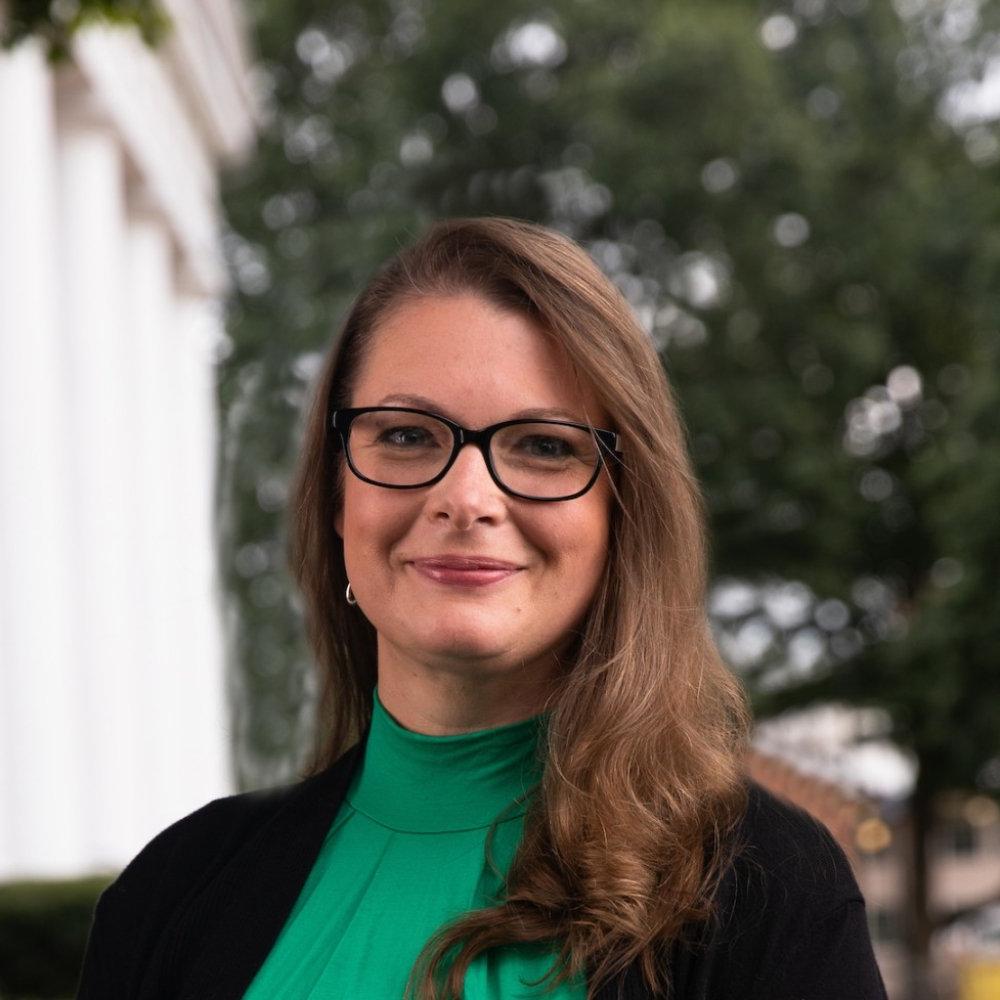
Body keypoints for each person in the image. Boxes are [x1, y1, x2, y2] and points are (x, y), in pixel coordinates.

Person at [76, 217, 887, 999]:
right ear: (334, 492)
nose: (466, 498)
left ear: (623, 512)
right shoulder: (172, 893)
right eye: (404, 436)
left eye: (542, 446)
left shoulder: (768, 889)